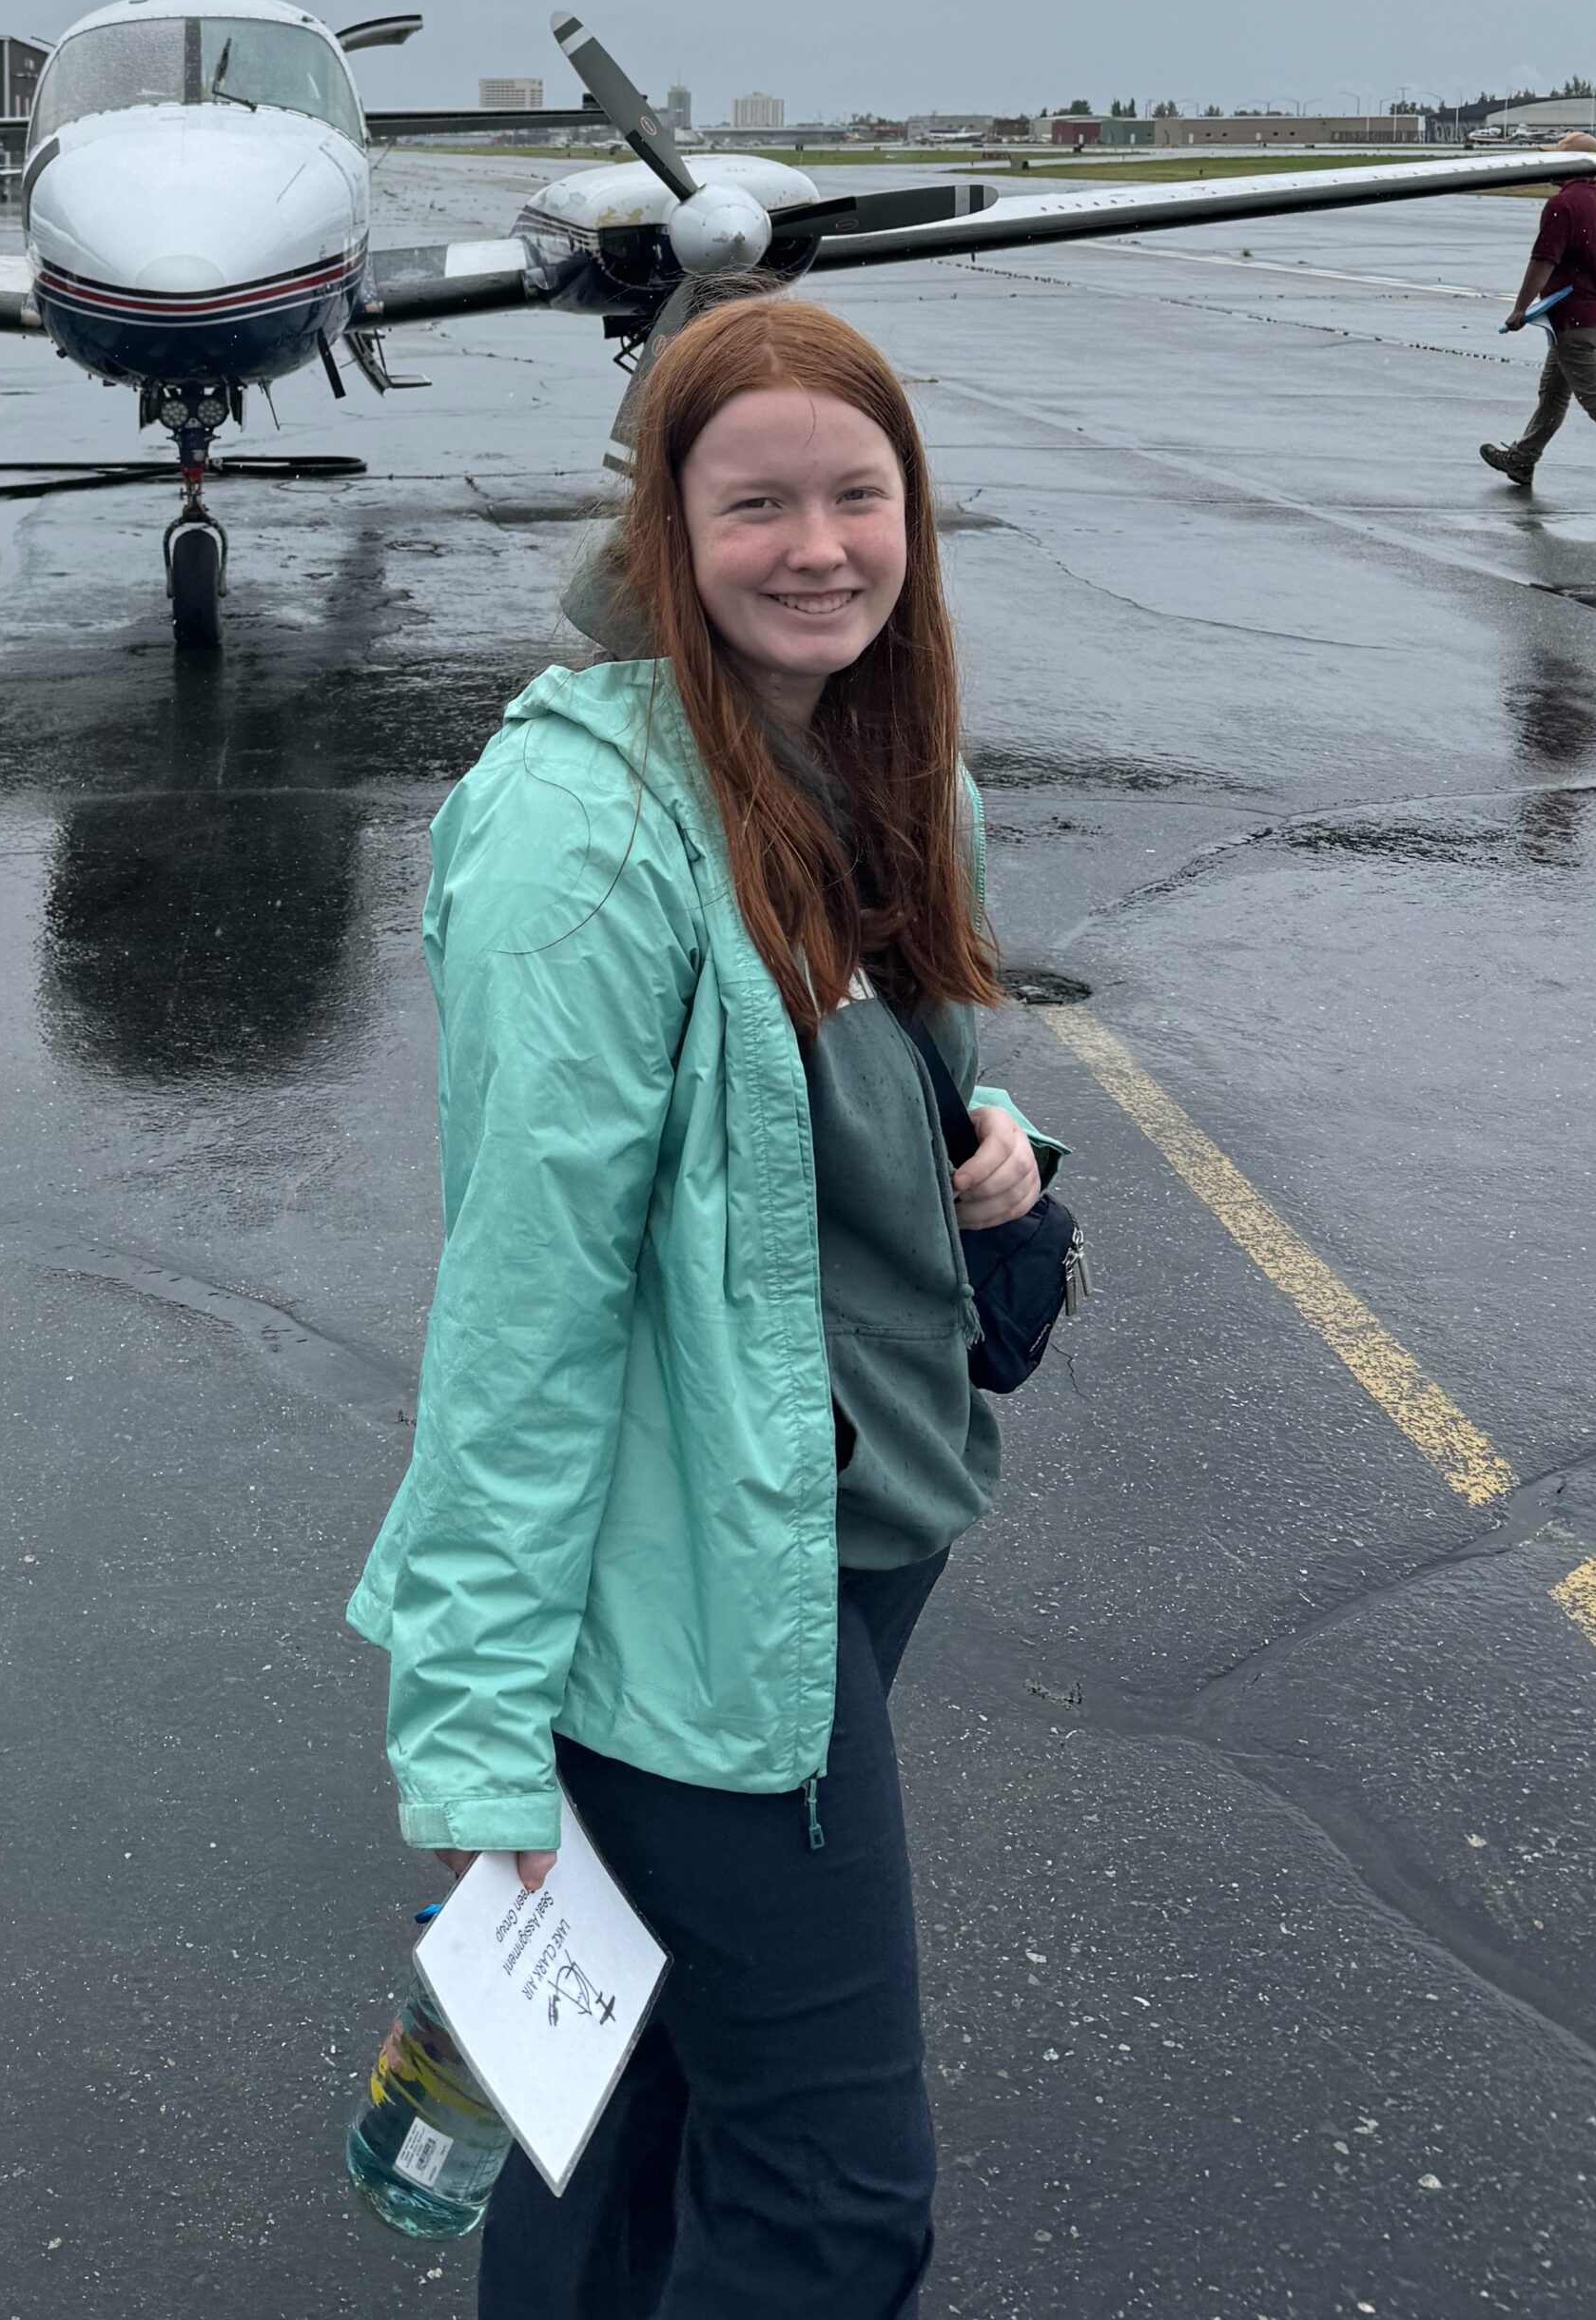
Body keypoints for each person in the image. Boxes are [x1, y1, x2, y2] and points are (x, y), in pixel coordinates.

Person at [347, 293, 1050, 2318]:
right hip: (685, 1598)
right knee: (836, 2197)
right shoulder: (582, 837)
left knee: (635, 2089)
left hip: (845, 1526)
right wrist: (477, 1752)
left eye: (859, 491)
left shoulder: (879, 756)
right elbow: (521, 1315)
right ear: (664, 521)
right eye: (758, 502)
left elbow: (844, 1080)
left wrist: (988, 1135)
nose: (818, 544)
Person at [1480, 137, 1596, 504]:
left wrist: (1519, 308)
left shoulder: (1562, 205)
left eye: (1555, 160)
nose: (1549, 166)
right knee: (1553, 394)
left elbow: (1543, 260)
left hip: (1576, 323)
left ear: (1573, 164)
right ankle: (1522, 459)